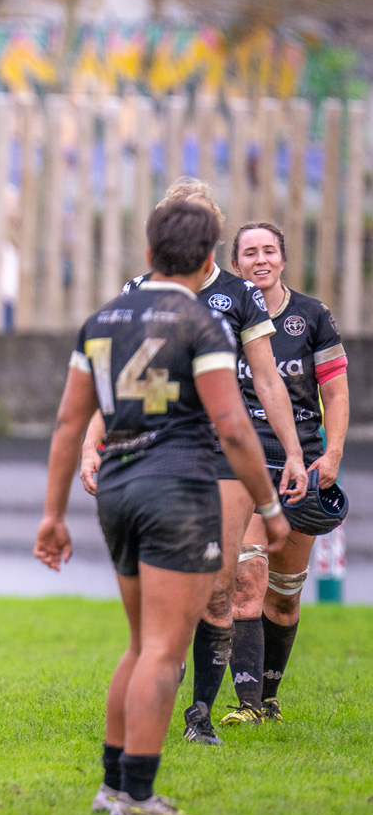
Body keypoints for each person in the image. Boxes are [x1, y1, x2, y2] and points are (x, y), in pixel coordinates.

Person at [38, 200, 291, 815]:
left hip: (118, 487)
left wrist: (52, 514)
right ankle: (140, 795)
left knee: (137, 645)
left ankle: (110, 787)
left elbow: (71, 425)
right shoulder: (200, 321)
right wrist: (268, 504)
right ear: (210, 258)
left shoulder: (102, 320)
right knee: (162, 651)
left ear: (149, 251)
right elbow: (232, 426)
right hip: (178, 488)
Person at [78, 179, 306, 745]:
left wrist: (296, 451)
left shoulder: (240, 294)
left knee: (219, 581)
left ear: (213, 230)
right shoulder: (139, 289)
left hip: (226, 448)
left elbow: (269, 378)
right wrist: (92, 441)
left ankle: (199, 713)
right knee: (168, 592)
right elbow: (116, 377)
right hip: (155, 445)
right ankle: (155, 690)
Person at [220, 221, 348, 724]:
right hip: (241, 465)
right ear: (236, 264)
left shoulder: (313, 316)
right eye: (249, 252)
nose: (260, 260)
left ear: (284, 259)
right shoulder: (224, 315)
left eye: (269, 250)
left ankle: (268, 698)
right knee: (247, 581)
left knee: (284, 600)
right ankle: (246, 706)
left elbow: (335, 393)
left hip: (302, 464)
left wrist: (331, 456)